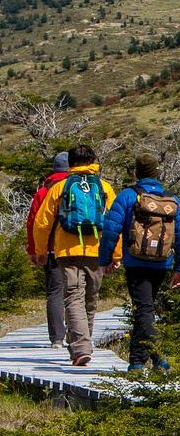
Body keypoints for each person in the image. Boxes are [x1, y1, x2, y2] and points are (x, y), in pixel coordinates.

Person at [27, 144, 116, 366]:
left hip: (67, 250)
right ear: (93, 161)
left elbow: (42, 223)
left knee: (74, 297)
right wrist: (116, 254)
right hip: (97, 250)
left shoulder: (60, 187)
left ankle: (80, 348)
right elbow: (115, 224)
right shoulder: (104, 187)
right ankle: (83, 345)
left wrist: (40, 251)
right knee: (90, 299)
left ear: (71, 163)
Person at [100, 154, 180, 372]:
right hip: (162, 263)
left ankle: (145, 361)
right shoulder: (171, 201)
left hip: (136, 262)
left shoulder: (127, 196)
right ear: (157, 173)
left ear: (137, 173)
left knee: (143, 310)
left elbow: (111, 230)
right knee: (145, 309)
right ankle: (147, 359)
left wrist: (105, 260)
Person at [24, 151, 71, 349]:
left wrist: (35, 250)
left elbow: (33, 223)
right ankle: (79, 336)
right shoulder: (80, 187)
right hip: (77, 247)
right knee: (77, 292)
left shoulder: (44, 191)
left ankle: (57, 338)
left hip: (52, 249)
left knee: (55, 292)